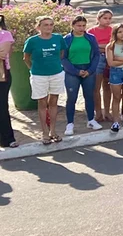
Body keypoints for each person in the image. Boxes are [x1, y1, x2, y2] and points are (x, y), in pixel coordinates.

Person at [24, 16, 66, 144]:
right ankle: (44, 133)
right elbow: (26, 58)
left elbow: (62, 53)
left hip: (56, 74)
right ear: (38, 27)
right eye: (45, 25)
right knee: (42, 103)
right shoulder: (32, 41)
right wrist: (33, 70)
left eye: (51, 24)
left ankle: (53, 131)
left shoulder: (58, 38)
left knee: (53, 102)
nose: (48, 27)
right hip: (39, 76)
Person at [60, 16, 103, 136]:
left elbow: (96, 55)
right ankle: (70, 123)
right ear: (73, 26)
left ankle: (91, 120)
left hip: (88, 70)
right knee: (71, 98)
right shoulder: (66, 39)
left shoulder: (90, 38)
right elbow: (63, 58)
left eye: (84, 26)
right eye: (79, 25)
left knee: (89, 96)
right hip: (72, 71)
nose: (81, 28)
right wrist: (75, 71)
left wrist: (90, 70)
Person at [0, 15, 16, 147]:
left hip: (2, 76)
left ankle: (7, 139)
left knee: (2, 107)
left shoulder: (5, 34)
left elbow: (2, 53)